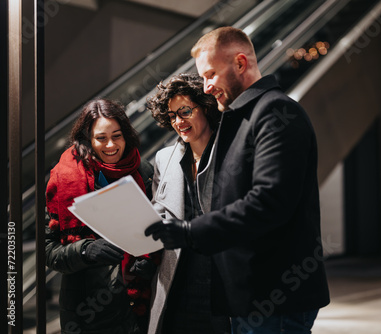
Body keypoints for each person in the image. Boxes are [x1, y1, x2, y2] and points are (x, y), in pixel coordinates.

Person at [145, 26, 330, 333]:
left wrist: (191, 231)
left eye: (210, 75)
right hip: (250, 297)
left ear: (241, 63)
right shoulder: (242, 117)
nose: (205, 87)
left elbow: (269, 202)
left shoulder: (275, 111)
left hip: (276, 297)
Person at [45, 98, 157, 334]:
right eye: (101, 138)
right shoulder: (65, 179)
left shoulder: (143, 171)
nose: (110, 145)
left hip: (140, 306)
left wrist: (151, 259)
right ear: (88, 139)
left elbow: (158, 230)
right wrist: (85, 250)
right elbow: (49, 252)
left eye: (117, 136)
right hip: (88, 314)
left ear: (126, 135)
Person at [146, 73, 230, 334]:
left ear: (205, 107)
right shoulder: (164, 158)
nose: (178, 122)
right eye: (172, 116)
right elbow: (158, 212)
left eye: (184, 112)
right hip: (177, 281)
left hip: (222, 281)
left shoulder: (231, 150)